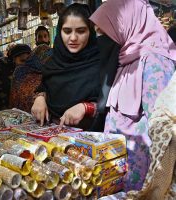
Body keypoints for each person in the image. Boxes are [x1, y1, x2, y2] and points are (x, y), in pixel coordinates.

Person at [90, 0, 176, 191]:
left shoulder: (155, 61)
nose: (100, 38)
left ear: (125, 24)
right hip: (116, 173)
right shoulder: (124, 57)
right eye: (98, 32)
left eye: (104, 31)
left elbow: (164, 130)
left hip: (141, 180)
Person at [31, 3, 101, 130]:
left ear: (90, 32)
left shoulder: (103, 64)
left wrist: (86, 107)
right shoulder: (53, 64)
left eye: (81, 31)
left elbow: (111, 104)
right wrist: (40, 98)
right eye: (67, 31)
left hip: (90, 141)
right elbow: (45, 87)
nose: (73, 38)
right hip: (51, 141)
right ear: (59, 31)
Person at [0, 44, 31, 111]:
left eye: (28, 61)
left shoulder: (31, 70)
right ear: (13, 59)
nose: (25, 64)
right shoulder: (0, 67)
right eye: (22, 60)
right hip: (1, 111)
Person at [10, 44, 52, 113]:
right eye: (45, 59)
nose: (47, 63)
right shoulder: (20, 71)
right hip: (20, 116)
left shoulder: (49, 73)